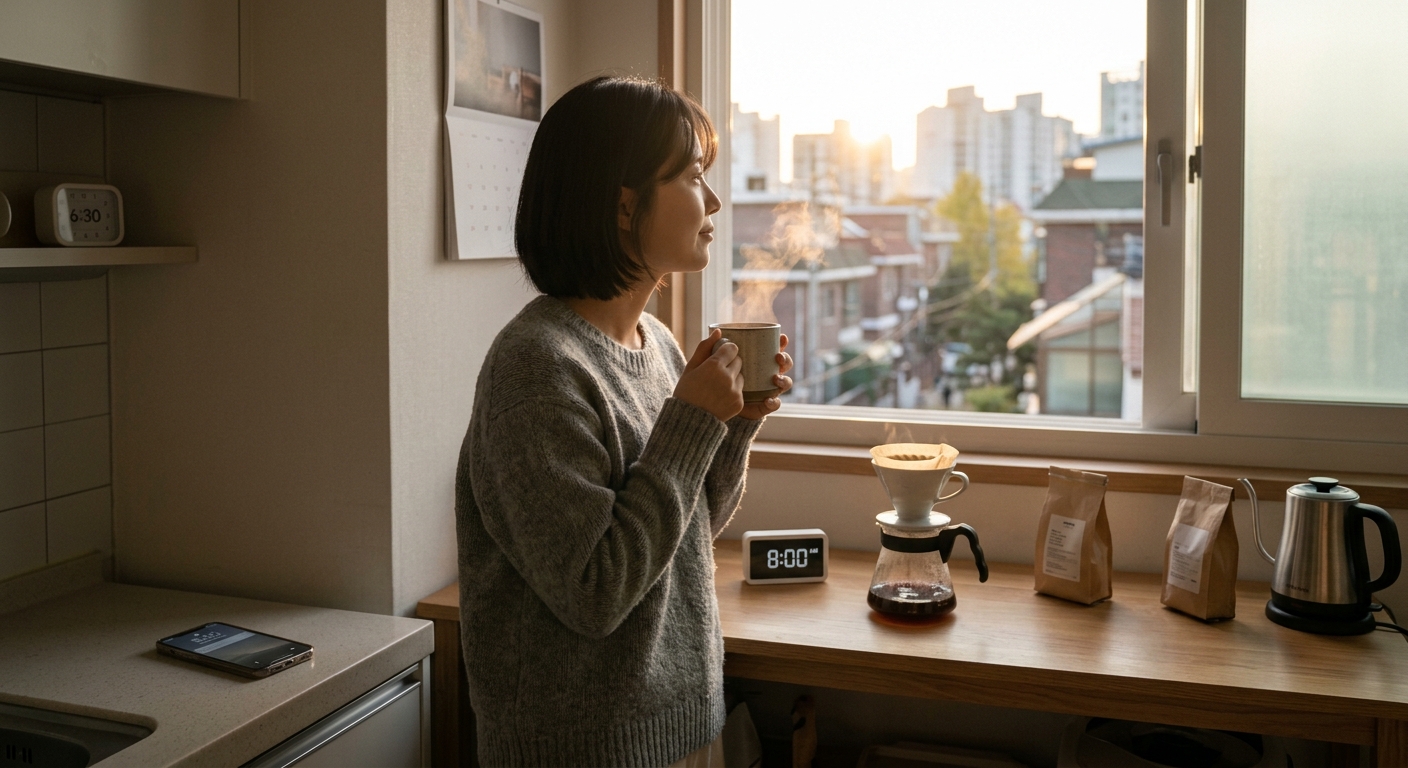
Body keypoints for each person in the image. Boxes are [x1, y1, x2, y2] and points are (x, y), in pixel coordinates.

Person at [455, 76, 793, 767]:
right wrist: (692, 423)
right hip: (585, 748)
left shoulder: (659, 345)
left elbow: (687, 529)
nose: (715, 202)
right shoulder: (537, 368)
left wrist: (731, 425)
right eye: (695, 178)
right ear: (623, 205)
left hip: (683, 723)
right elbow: (595, 591)